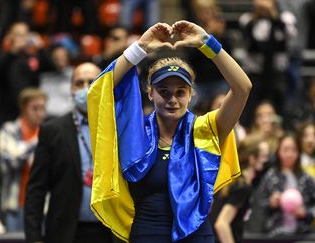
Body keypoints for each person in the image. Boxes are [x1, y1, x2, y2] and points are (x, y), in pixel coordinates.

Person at [88, 20, 252, 242]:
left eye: (180, 92)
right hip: (147, 236)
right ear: (150, 94)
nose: (172, 99)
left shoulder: (205, 130)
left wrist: (207, 43)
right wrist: (140, 47)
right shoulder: (134, 133)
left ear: (191, 94)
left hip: (197, 236)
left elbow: (243, 88)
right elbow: (99, 92)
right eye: (164, 92)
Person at [24, 63, 114, 243]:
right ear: (71, 90)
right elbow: (36, 189)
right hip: (65, 233)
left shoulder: (118, 127)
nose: (85, 88)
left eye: (92, 81)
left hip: (110, 232)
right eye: (79, 83)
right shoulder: (53, 130)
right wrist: (34, 238)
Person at [0, 88, 47, 232]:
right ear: (23, 108)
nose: (40, 113)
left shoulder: (48, 132)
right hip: (15, 204)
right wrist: (36, 141)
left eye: (43, 108)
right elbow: (12, 162)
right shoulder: (9, 130)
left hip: (43, 206)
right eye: (35, 108)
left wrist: (25, 147)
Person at [258, 134, 315, 237]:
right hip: (275, 232)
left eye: (293, 150)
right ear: (278, 151)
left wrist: (306, 213)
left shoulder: (307, 178)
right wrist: (271, 203)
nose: (289, 154)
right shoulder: (270, 176)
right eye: (285, 149)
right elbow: (259, 204)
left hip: (303, 233)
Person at [212, 136, 269, 243]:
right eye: (263, 156)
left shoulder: (232, 180)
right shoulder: (242, 186)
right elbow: (221, 224)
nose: (266, 161)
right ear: (252, 158)